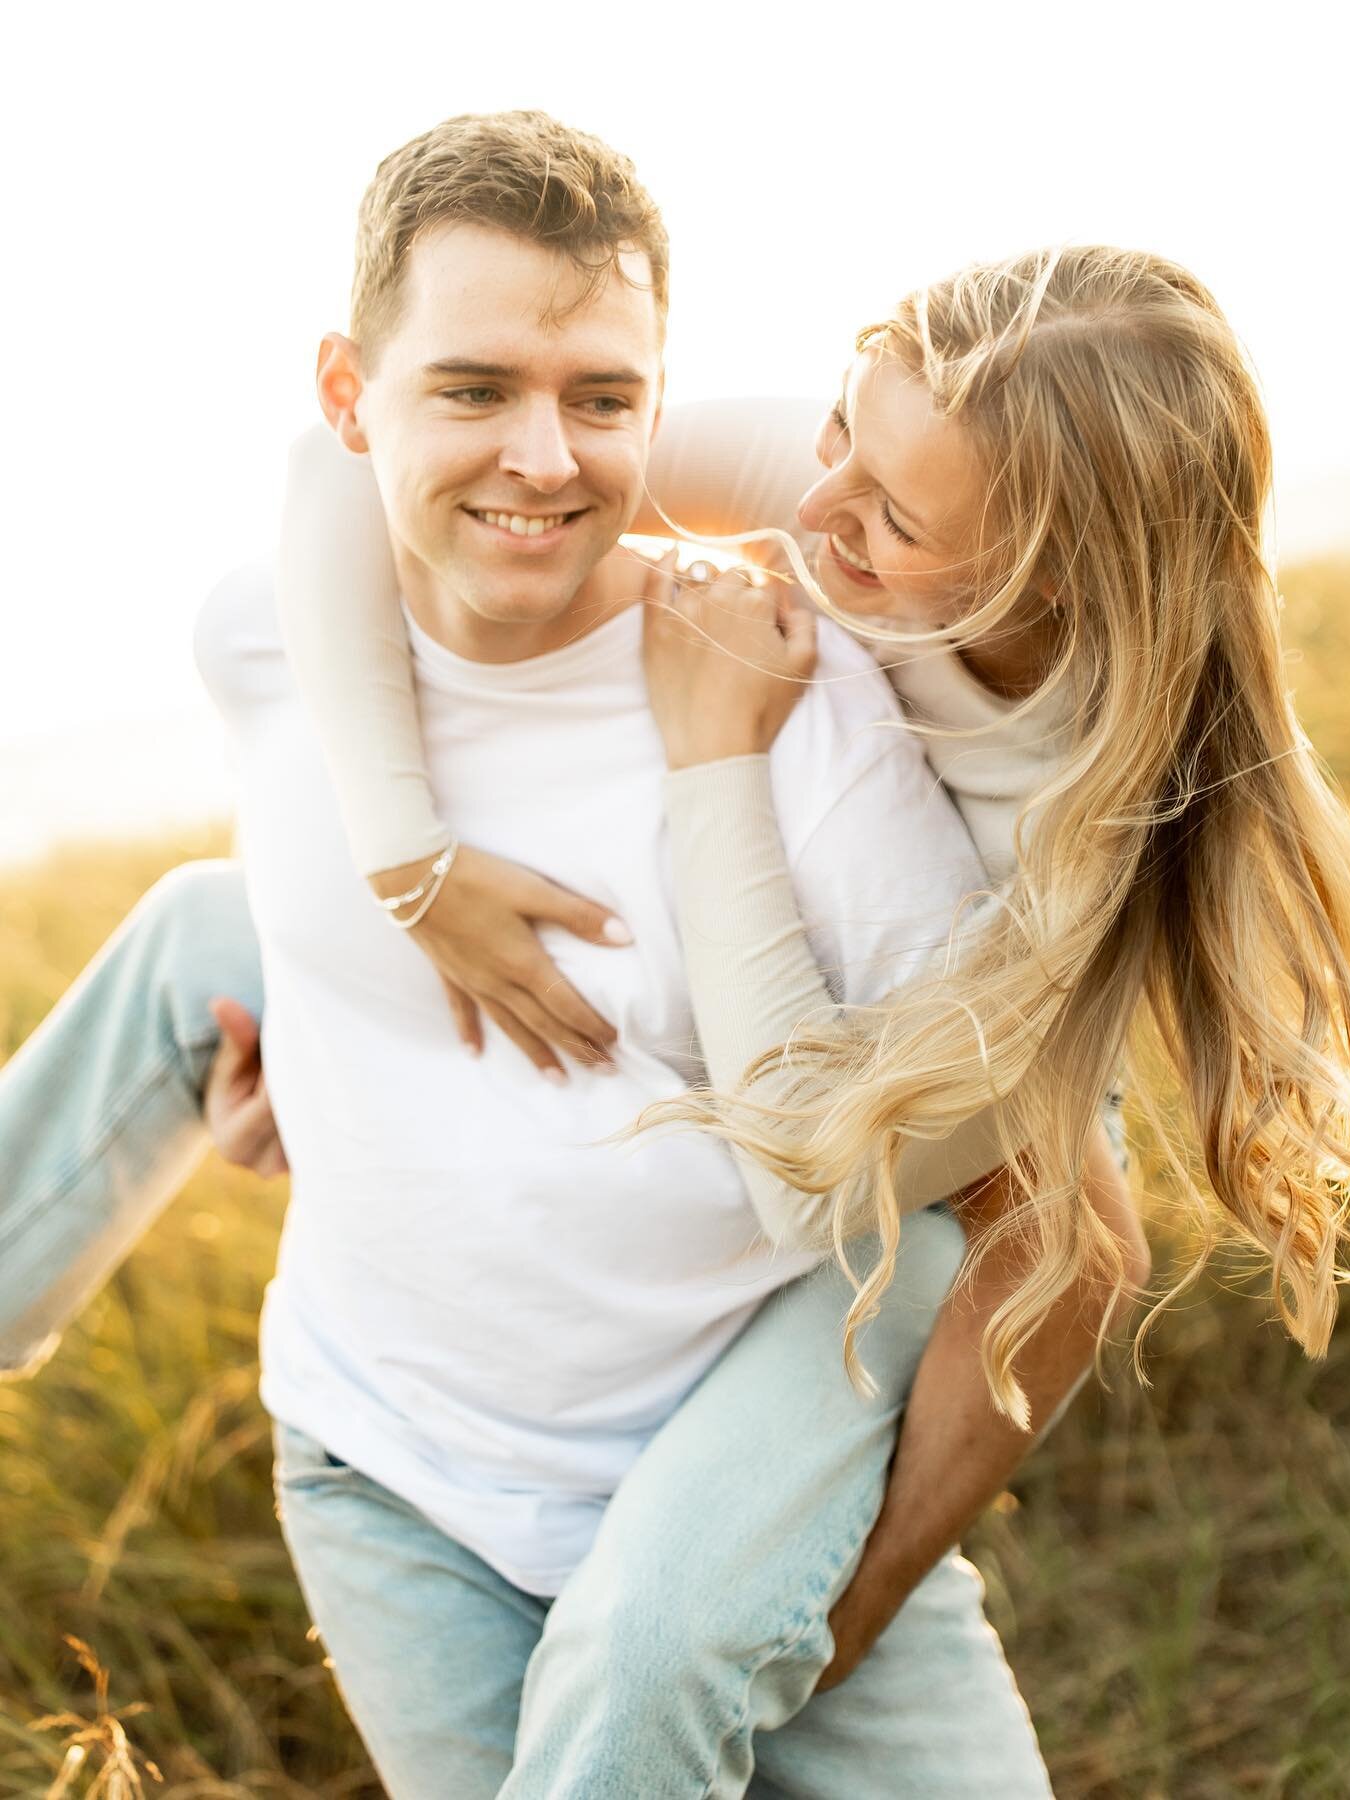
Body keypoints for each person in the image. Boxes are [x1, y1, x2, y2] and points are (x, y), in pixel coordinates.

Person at [0, 112, 1152, 1797]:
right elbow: (319, 915)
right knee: (208, 926)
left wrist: (852, 1599)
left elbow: (1046, 1224)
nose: (544, 457)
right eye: (470, 389)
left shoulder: (798, 700)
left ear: (659, 406)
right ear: (348, 396)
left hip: (751, 1480)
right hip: (396, 1473)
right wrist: (352, 1013)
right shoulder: (265, 639)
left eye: (603, 400)